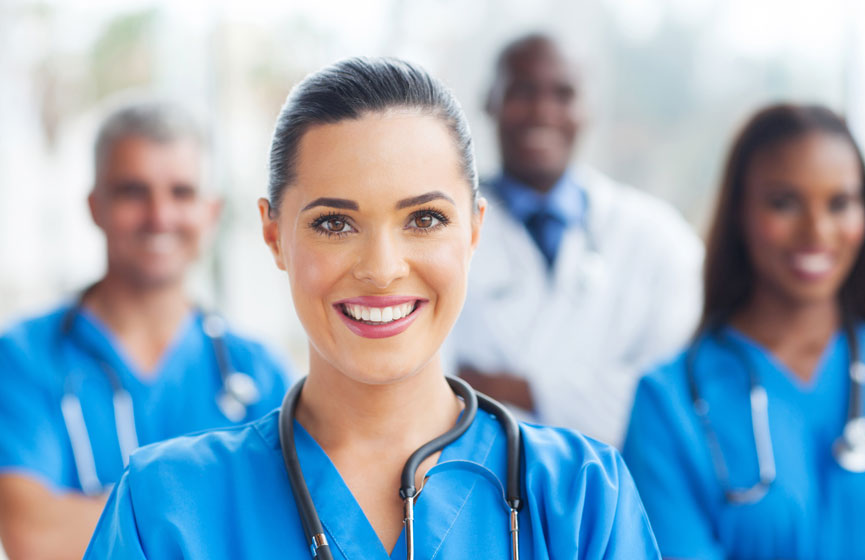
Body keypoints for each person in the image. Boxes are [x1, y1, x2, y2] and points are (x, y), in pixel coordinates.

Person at [83, 57, 660, 559]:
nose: (381, 268)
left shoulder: (581, 497)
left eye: (425, 219)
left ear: (475, 229)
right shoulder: (163, 506)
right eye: (334, 223)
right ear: (273, 233)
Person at [622, 103, 865, 559]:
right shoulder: (668, 403)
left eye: (840, 203)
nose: (817, 230)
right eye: (784, 202)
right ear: (739, 213)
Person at [0, 101, 291, 559]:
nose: (159, 215)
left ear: (210, 211)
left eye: (181, 192)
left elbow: (288, 533)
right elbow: (33, 538)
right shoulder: (22, 357)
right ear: (95, 207)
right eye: (133, 192)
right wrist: (224, 517)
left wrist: (110, 521)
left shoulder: (258, 371)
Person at [445, 33, 703, 445]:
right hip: (478, 487)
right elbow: (428, 391)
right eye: (522, 91)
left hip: (621, 493)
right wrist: (592, 393)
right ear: (489, 101)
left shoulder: (659, 238)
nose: (542, 112)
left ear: (587, 110)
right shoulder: (438, 232)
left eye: (563, 94)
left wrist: (514, 388)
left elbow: (668, 401)